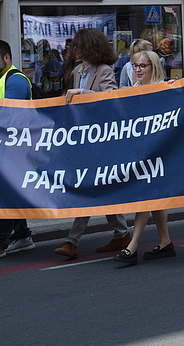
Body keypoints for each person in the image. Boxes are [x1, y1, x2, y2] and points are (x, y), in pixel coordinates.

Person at [55, 28, 129, 259]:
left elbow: (111, 98)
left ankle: (72, 241)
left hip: (101, 140)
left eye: (76, 46)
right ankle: (121, 233)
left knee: (88, 188)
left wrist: (83, 92)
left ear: (88, 47)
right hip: (83, 138)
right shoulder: (78, 70)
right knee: (98, 189)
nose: (73, 50)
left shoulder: (104, 70)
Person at [112, 50, 175, 266]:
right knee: (154, 198)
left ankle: (133, 246)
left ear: (153, 67)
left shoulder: (163, 88)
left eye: (142, 66)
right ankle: (165, 242)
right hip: (141, 152)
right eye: (135, 65)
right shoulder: (135, 89)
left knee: (144, 196)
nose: (137, 70)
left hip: (158, 152)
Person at [0, 40, 36, 260]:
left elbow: (11, 117)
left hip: (10, 148)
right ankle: (23, 236)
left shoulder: (15, 81)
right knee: (9, 194)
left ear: (7, 58)